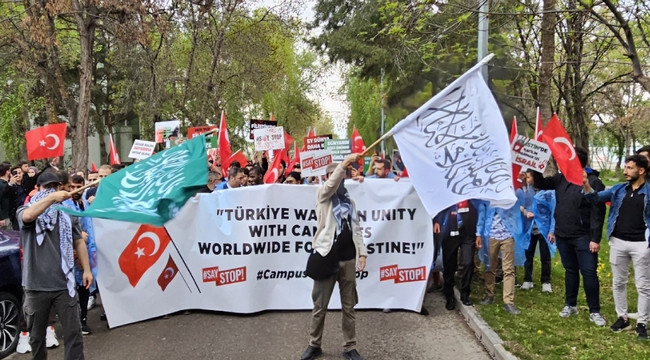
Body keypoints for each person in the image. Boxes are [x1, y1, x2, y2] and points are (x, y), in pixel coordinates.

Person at [17, 171, 93, 359]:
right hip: (36, 286)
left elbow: (79, 241)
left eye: (54, 187)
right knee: (36, 338)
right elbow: (28, 216)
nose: (51, 191)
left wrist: (87, 269)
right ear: (37, 189)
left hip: (64, 285)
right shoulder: (25, 210)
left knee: (73, 334)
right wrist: (51, 198)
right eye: (46, 188)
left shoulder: (66, 214)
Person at [301, 154, 367, 360]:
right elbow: (330, 185)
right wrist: (344, 163)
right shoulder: (323, 196)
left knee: (349, 306)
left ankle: (350, 347)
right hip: (325, 257)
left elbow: (356, 229)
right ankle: (314, 344)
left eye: (340, 175)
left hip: (347, 260)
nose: (336, 179)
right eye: (332, 176)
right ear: (327, 177)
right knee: (320, 307)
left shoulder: (350, 202)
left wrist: (362, 252)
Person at [532, 147, 607, 326]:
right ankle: (570, 304)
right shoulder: (561, 178)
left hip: (583, 236)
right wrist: (535, 164)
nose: (560, 160)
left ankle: (595, 311)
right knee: (570, 270)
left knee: (589, 273)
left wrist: (595, 238)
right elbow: (541, 184)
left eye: (564, 157)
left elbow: (598, 211)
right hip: (563, 234)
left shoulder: (593, 182)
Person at [583, 154, 650, 339]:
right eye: (625, 167)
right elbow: (595, 198)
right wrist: (586, 185)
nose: (625, 171)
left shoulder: (649, 192)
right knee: (618, 282)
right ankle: (623, 317)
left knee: (643, 286)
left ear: (641, 171)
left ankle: (642, 323)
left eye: (629, 168)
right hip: (618, 242)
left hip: (642, 244)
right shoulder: (619, 189)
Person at [476, 199, 527, 315]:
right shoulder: (487, 197)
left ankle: (508, 302)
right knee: (490, 267)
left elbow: (523, 204)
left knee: (508, 269)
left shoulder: (511, 194)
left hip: (508, 235)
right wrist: (478, 233)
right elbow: (482, 215)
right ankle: (489, 294)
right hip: (490, 235)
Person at [433, 200, 480, 310]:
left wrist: (479, 233)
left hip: (468, 232)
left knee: (468, 263)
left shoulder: (470, 190)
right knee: (449, 265)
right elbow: (437, 202)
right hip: (449, 230)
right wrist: (436, 221)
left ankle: (465, 293)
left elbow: (479, 207)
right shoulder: (447, 188)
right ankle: (449, 295)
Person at [520, 170, 556, 293]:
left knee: (545, 256)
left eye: (529, 177)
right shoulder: (526, 192)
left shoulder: (548, 192)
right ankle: (527, 279)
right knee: (528, 254)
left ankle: (546, 281)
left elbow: (553, 211)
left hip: (544, 229)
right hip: (529, 228)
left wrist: (552, 230)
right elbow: (520, 206)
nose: (527, 179)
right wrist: (525, 212)